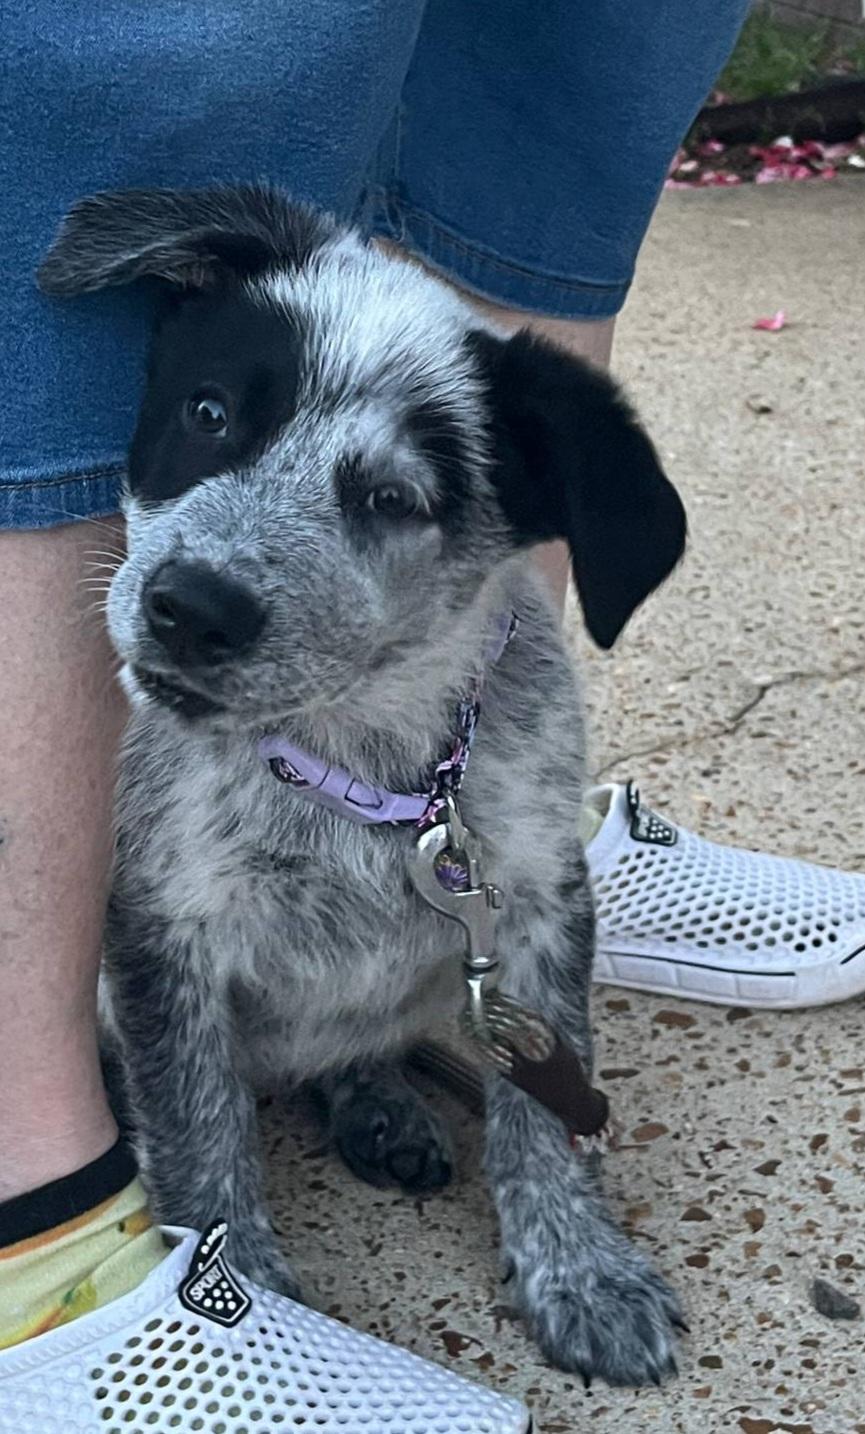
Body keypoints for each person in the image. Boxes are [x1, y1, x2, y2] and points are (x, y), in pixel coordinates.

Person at [0, 0, 753, 1417]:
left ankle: (486, 1165)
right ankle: (172, 1252)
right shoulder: (166, 719)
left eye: (387, 501)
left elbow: (527, 939)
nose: (215, 573)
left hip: (406, 933)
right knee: (153, 958)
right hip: (182, 1031)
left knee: (528, 913)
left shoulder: (514, 712)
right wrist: (225, 1251)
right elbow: (161, 973)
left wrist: (563, 1210)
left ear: (495, 539)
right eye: (223, 418)